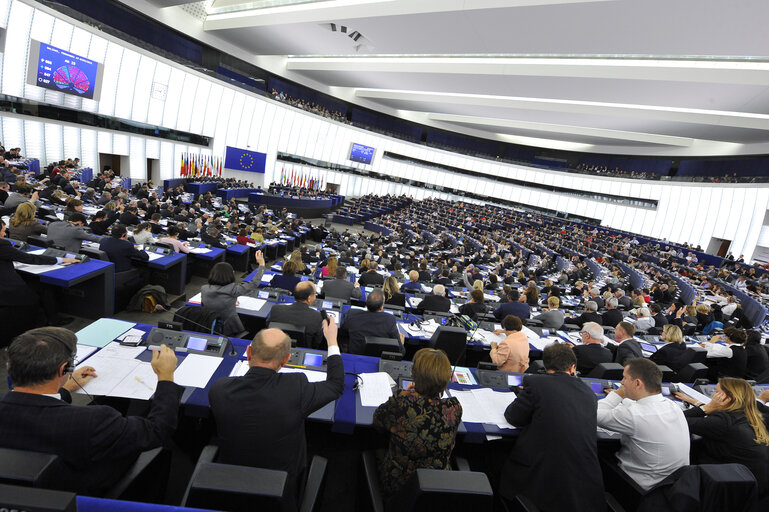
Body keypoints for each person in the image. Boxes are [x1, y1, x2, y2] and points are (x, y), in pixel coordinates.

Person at [0, 327, 183, 496]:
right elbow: (157, 431)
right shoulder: (94, 420)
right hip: (79, 491)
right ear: (65, 368)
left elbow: (33, 412)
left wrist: (63, 389)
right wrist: (166, 377)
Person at [208, 322, 343, 510]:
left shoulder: (219, 389)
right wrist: (332, 341)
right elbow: (335, 385)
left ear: (248, 352)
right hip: (282, 483)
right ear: (286, 359)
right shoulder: (296, 388)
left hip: (231, 477)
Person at [500, 342, 606, 511]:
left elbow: (514, 417)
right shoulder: (589, 394)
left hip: (540, 481)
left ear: (545, 364)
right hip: (585, 489)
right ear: (572, 368)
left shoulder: (535, 383)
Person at [373, 348, 462, 499]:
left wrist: (411, 395)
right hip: (437, 487)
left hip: (400, 485)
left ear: (414, 375)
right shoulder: (454, 408)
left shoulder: (402, 401)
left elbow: (378, 422)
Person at [597, 358, 690, 492]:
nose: (622, 383)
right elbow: (642, 410)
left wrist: (617, 395)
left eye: (624, 378)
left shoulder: (633, 415)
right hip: (672, 487)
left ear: (637, 383)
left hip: (636, 488)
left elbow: (593, 413)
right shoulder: (673, 406)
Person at [675, 378, 769, 496]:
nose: (713, 395)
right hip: (753, 485)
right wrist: (698, 403)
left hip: (731, 490)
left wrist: (707, 408)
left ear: (728, 398)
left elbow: (675, 422)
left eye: (717, 392)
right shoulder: (753, 415)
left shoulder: (723, 422)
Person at [201, 251, 266, 336]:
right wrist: (262, 264)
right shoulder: (232, 290)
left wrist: (229, 301)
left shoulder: (204, 288)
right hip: (228, 329)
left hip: (207, 325)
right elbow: (254, 283)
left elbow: (211, 302)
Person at [341, 289, 404, 354]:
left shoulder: (352, 313)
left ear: (366, 301)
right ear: (381, 307)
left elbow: (343, 330)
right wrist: (401, 343)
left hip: (353, 355)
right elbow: (401, 351)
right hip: (378, 357)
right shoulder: (390, 320)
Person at [269, 281, 325, 349]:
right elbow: (317, 342)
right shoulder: (317, 317)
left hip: (276, 347)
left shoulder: (276, 309)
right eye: (315, 294)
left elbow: (268, 327)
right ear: (309, 298)